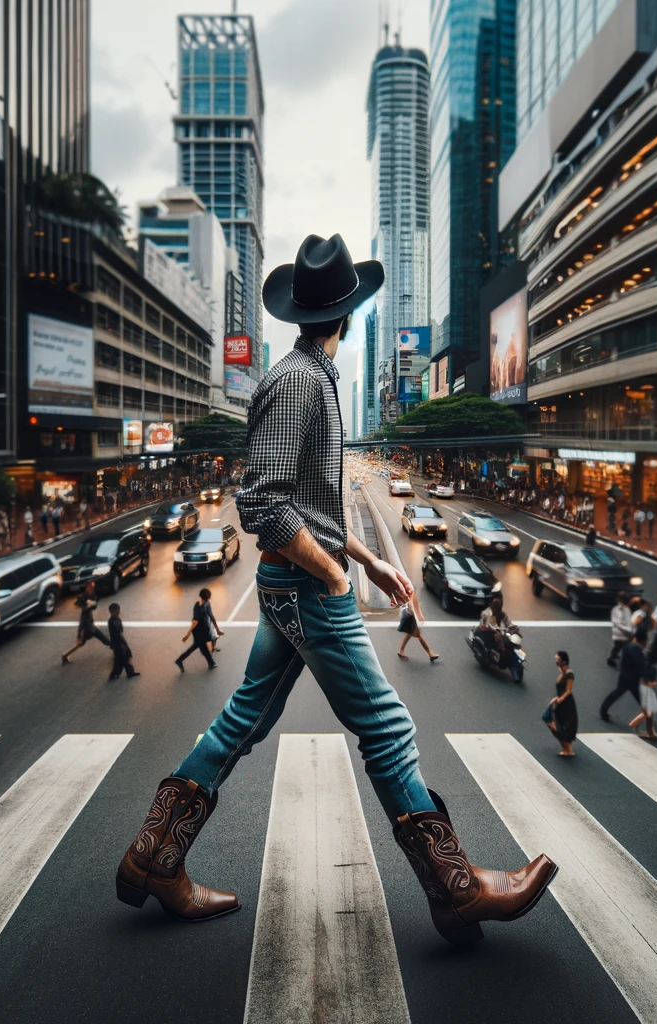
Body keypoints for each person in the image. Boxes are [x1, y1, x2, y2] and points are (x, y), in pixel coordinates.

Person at [114, 233, 556, 941]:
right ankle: (457, 888)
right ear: (347, 313)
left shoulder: (311, 375)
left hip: (296, 583)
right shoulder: (297, 382)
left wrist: (366, 558)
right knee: (386, 727)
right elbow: (262, 502)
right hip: (305, 590)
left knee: (242, 721)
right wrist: (332, 577)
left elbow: (311, 505)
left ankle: (151, 859)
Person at [600, 625, 646, 721]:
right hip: (631, 678)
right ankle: (649, 716)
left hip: (625, 675)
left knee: (618, 693)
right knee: (640, 698)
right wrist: (646, 677)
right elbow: (640, 664)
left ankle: (603, 711)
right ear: (642, 640)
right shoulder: (636, 649)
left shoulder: (629, 644)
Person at [62, 581, 110, 664]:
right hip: (88, 629)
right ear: (87, 587)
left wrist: (92, 603)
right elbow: (82, 624)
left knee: (81, 644)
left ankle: (65, 655)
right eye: (90, 587)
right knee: (105, 640)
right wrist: (79, 636)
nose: (92, 588)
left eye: (92, 587)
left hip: (90, 627)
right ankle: (118, 651)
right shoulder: (84, 609)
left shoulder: (90, 596)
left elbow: (95, 603)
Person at [176, 587, 219, 671]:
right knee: (198, 647)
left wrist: (189, 634)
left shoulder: (196, 605)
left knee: (201, 647)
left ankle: (211, 663)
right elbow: (198, 621)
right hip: (201, 631)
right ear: (208, 596)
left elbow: (195, 621)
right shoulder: (206, 605)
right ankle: (179, 660)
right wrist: (187, 635)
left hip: (198, 631)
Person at [547, 650, 578, 757]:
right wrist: (557, 698)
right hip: (561, 703)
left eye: (558, 659)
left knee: (558, 724)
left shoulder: (569, 674)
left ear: (564, 661)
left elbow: (569, 690)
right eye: (556, 659)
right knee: (556, 723)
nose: (556, 661)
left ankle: (568, 750)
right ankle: (567, 749)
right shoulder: (562, 673)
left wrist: (560, 699)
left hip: (567, 704)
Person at [398, 589, 439, 663]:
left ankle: (401, 651)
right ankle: (430, 654)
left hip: (410, 615)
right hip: (408, 615)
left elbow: (415, 602)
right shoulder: (404, 592)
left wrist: (419, 613)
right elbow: (407, 605)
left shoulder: (410, 591)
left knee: (409, 633)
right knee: (417, 635)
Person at [108, 603, 139, 680]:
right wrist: (122, 644)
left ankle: (129, 672)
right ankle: (115, 674)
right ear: (115, 611)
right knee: (121, 658)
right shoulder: (115, 620)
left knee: (124, 657)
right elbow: (118, 632)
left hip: (117, 642)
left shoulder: (112, 620)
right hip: (119, 642)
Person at [607, 591, 633, 668]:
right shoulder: (625, 610)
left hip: (617, 633)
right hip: (623, 633)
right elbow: (619, 623)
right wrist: (628, 629)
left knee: (617, 647)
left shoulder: (616, 609)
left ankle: (612, 658)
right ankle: (622, 663)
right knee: (624, 648)